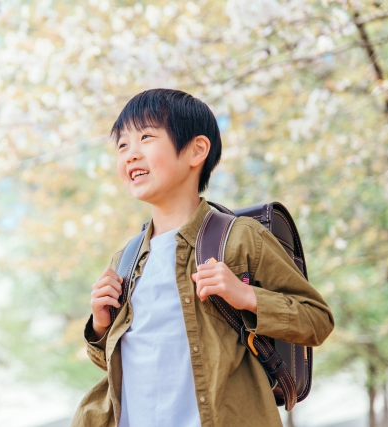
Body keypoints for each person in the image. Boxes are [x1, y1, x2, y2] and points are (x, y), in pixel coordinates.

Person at [71, 89, 334, 427]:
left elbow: (317, 320)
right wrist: (99, 325)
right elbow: (117, 360)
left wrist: (247, 296)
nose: (130, 154)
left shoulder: (238, 238)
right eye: (122, 145)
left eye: (146, 137)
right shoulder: (126, 259)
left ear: (196, 150)